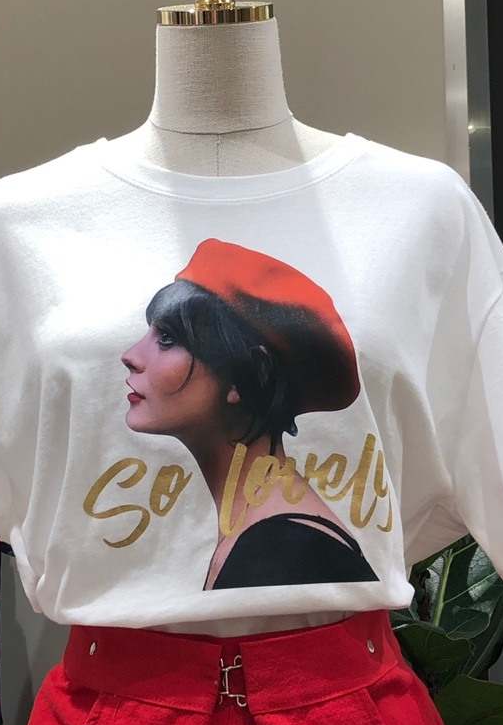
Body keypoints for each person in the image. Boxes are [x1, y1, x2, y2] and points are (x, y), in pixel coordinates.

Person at [121, 237, 378, 589]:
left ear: (254, 373)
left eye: (167, 338)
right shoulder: (265, 535)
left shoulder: (279, 554)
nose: (131, 356)